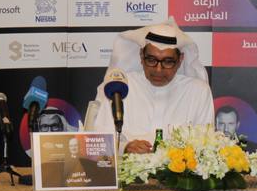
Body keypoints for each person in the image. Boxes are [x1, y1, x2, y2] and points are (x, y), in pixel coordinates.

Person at [92, 18, 214, 153]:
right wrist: (125, 147)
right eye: (151, 60)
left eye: (168, 61)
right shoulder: (119, 86)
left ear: (180, 60)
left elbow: (205, 145)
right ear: (141, 56)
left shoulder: (198, 91)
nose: (158, 70)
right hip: (125, 165)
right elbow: (99, 139)